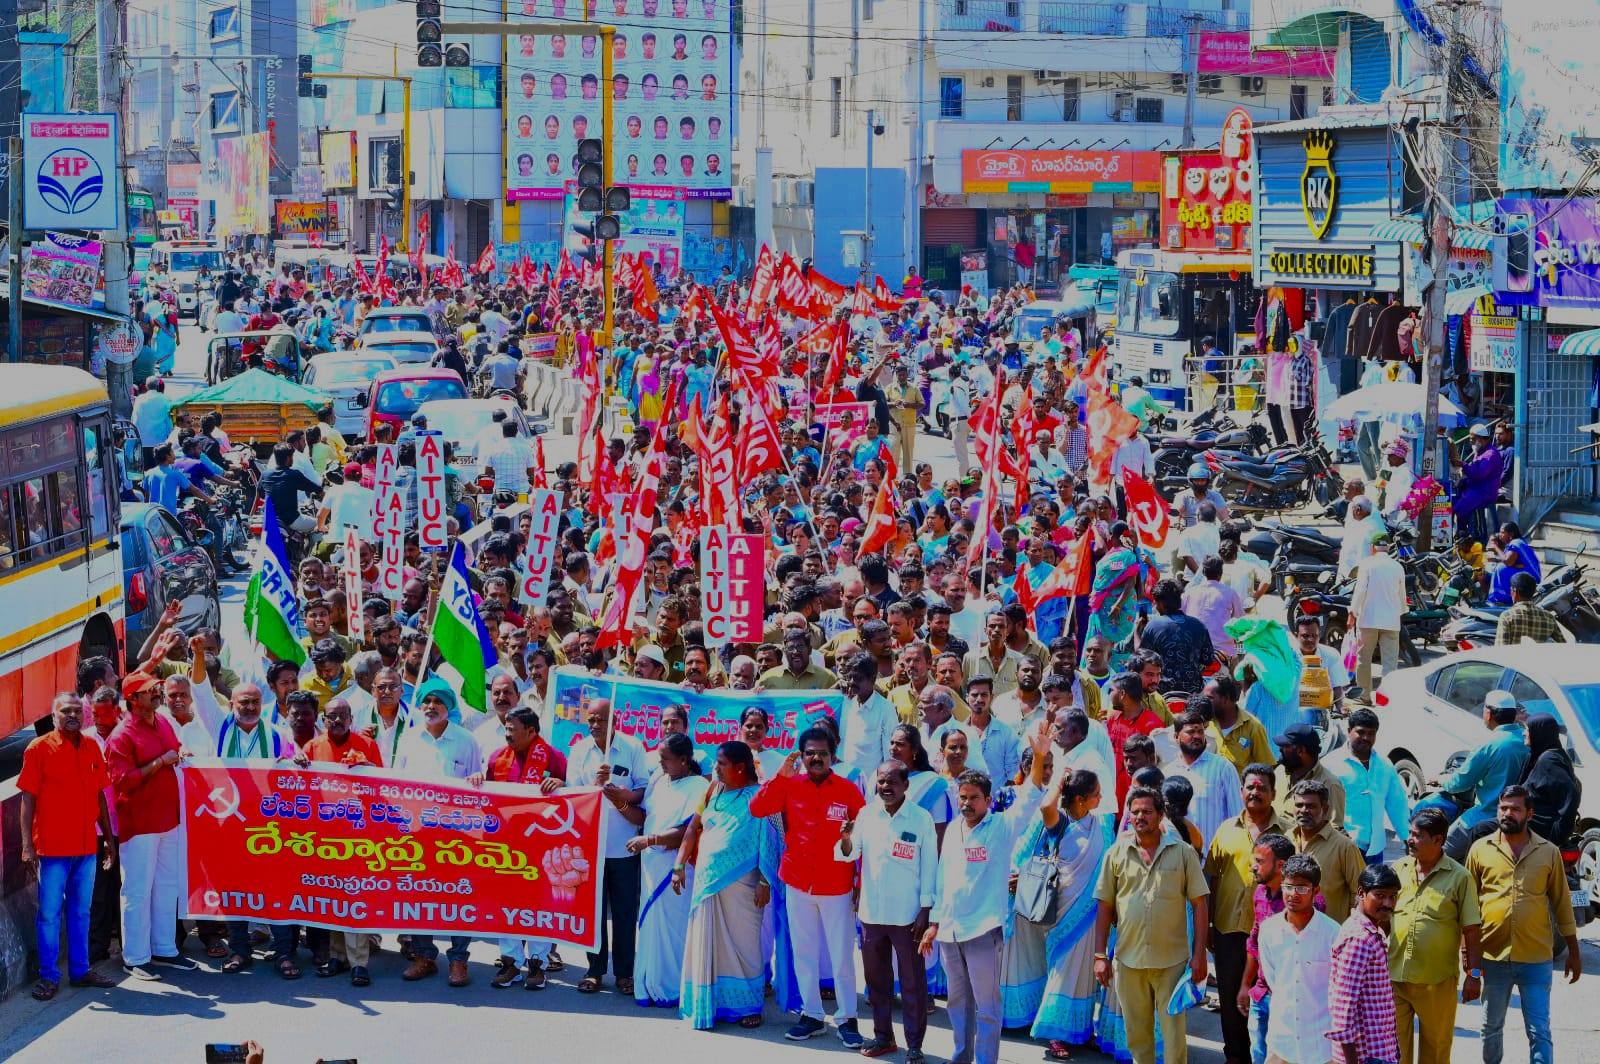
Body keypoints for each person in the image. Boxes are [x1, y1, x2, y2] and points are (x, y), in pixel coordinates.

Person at [921, 727, 1050, 1064]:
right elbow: (943, 879)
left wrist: (1038, 758)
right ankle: (961, 1057)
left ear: (988, 801)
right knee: (957, 1002)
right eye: (963, 798)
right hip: (950, 932)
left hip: (982, 930)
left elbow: (1030, 796)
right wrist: (934, 924)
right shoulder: (953, 829)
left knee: (987, 1006)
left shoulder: (1002, 827)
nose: (966, 804)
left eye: (973, 798)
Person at [749, 726, 866, 1047]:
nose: (816, 758)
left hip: (837, 885)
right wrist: (781, 776)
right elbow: (757, 808)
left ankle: (847, 1018)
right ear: (801, 755)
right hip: (798, 882)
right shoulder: (789, 785)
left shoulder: (848, 790)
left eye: (822, 753)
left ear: (832, 756)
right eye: (810, 753)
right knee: (804, 952)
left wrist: (859, 881)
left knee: (841, 955)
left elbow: (864, 837)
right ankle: (812, 1015)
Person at [1092, 783, 1209, 1064]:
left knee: (1174, 1037)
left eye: (1146, 811)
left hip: (1172, 962)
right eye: (1135, 812)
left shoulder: (1183, 853)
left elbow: (1200, 904)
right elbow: (1105, 905)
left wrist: (1200, 955)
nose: (1140, 817)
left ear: (1160, 815)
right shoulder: (1116, 854)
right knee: (1137, 1036)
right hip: (1129, 961)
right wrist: (1100, 956)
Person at [1465, 785, 1581, 1064]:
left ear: (1529, 814)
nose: (1508, 814)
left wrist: (1574, 952)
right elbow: (1467, 908)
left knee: (1539, 1030)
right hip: (1493, 957)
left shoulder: (1548, 852)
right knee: (1490, 1027)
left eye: (1515, 809)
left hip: (1536, 957)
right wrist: (1468, 957)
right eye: (1503, 808)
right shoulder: (1480, 850)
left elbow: (1562, 903)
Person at [1005, 769, 1114, 1062]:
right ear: (1080, 799)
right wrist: (1057, 782)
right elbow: (1045, 806)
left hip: (1091, 911)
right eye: (1096, 794)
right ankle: (1055, 1031)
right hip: (1064, 909)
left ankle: (1080, 1030)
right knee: (1064, 968)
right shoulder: (1059, 822)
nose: (1101, 798)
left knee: (1085, 973)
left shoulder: (1102, 824)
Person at [18, 692, 119, 1000]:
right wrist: (26, 845)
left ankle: (80, 970)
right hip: (51, 849)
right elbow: (27, 798)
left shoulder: (90, 747)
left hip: (86, 846)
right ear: (54, 716)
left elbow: (99, 795)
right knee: (49, 914)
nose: (73, 715)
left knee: (81, 912)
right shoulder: (39, 748)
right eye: (66, 711)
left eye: (77, 710)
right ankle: (49, 976)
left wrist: (108, 839)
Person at [837, 759, 939, 1061]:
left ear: (905, 785)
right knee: (877, 983)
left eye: (892, 781)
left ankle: (915, 1045)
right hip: (872, 913)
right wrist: (845, 838)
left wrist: (926, 910)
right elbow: (849, 855)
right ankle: (883, 1038)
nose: (885, 787)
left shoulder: (920, 818)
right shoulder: (867, 814)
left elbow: (930, 866)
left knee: (912, 984)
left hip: (908, 915)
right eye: (881, 781)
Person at [106, 672, 198, 980]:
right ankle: (135, 957)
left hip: (169, 818)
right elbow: (122, 781)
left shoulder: (163, 722)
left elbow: (175, 747)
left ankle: (164, 948)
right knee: (138, 890)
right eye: (149, 691)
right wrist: (160, 762)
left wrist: (180, 751)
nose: (156, 693)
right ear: (133, 699)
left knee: (167, 886)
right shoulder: (121, 735)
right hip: (140, 824)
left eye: (157, 688)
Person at [392, 679, 484, 986]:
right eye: (427, 701)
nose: (431, 706)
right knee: (420, 894)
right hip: (417, 833)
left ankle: (458, 959)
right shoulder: (408, 739)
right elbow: (395, 785)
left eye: (438, 701)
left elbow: (477, 786)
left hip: (456, 835)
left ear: (449, 707)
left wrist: (476, 779)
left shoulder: (466, 741)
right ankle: (424, 956)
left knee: (458, 895)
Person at [1204, 765, 1291, 1064]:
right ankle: (1235, 1057)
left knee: (1269, 998)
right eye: (1250, 787)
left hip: (1273, 933)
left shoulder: (1288, 833)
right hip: (1228, 928)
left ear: (1273, 794)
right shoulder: (1226, 829)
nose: (1255, 792)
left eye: (1262, 788)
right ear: (1241, 791)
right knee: (1230, 998)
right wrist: (1209, 924)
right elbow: (1213, 878)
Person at [567, 697, 650, 995]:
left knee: (625, 913)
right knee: (593, 913)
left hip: (624, 845)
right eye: (590, 719)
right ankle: (595, 970)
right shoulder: (579, 750)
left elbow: (643, 790)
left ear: (614, 720)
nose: (594, 725)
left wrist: (621, 794)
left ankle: (625, 973)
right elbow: (572, 796)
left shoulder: (633, 747)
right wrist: (595, 785)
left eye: (600, 719)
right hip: (590, 845)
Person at [481, 706, 565, 990]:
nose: (507, 734)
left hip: (542, 844)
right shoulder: (497, 758)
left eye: (512, 729)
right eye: (505, 728)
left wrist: (562, 784)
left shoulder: (554, 758)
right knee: (508, 902)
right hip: (507, 846)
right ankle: (511, 963)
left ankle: (538, 964)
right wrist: (476, 781)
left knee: (539, 903)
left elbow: (577, 794)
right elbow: (488, 795)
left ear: (531, 731)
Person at [1390, 807, 1482, 1064]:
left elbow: (1472, 930)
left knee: (1436, 1053)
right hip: (1395, 978)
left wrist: (1474, 975)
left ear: (1438, 840)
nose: (1410, 840)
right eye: (1410, 833)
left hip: (1437, 982)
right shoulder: (1398, 869)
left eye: (1417, 835)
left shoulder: (1460, 877)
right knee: (1393, 1052)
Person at [628, 732, 709, 1008]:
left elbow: (689, 830)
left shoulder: (699, 786)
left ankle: (672, 987)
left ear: (684, 760)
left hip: (677, 867)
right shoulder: (658, 780)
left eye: (666, 759)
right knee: (650, 924)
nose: (660, 763)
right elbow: (646, 815)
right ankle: (647, 985)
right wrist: (618, 801)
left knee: (674, 928)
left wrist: (650, 840)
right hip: (650, 864)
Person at [1254, 852, 1341, 1064]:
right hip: (1282, 1040)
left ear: (1316, 891)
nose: (1293, 894)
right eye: (1288, 887)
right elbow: (1273, 979)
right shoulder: (1269, 930)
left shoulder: (1333, 933)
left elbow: (1338, 987)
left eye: (1302, 888)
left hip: (1321, 1045)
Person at [1439, 690, 1529, 859]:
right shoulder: (1526, 738)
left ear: (1489, 714)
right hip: (1521, 818)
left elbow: (1459, 783)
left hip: (1488, 815)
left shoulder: (1489, 744)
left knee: (1438, 854)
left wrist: (1441, 779)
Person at [1328, 864, 1403, 1064]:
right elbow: (1343, 1008)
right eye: (1380, 896)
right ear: (1361, 893)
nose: (1388, 903)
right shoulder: (1359, 939)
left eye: (1393, 896)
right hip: (1366, 1055)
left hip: (1379, 1050)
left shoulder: (1371, 932)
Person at [1329, 708, 1411, 865]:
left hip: (1375, 850)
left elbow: (1397, 804)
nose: (1366, 738)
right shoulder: (1331, 764)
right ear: (1349, 731)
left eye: (1371, 733)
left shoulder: (1385, 765)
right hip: (1343, 846)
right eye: (1360, 732)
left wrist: (1406, 837)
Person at [1161, 708, 1241, 847]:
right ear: (1176, 737)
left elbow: (1237, 815)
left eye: (1200, 731)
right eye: (1190, 732)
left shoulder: (1222, 767)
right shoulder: (1168, 773)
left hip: (1214, 854)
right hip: (1179, 855)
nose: (1197, 736)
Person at [1288, 778, 1365, 923]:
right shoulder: (1287, 840)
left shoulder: (1344, 846)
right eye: (1299, 805)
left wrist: (1350, 928)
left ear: (1325, 810)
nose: (1304, 810)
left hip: (1331, 933)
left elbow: (1361, 892)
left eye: (1311, 806)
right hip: (1291, 931)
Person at [1349, 532, 1405, 699]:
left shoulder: (1367, 564)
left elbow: (1360, 591)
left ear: (1373, 548)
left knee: (1364, 659)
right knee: (1390, 663)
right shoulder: (1397, 566)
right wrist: (1400, 612)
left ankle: (1364, 696)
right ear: (1387, 548)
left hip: (1368, 619)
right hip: (1391, 621)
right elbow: (1401, 595)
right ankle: (1386, 698)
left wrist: (1352, 612)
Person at [1137, 579, 1215, 695]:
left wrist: (1136, 632)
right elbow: (1208, 660)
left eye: (1155, 603)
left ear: (1161, 603)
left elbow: (1141, 659)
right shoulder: (1199, 625)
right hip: (1193, 692)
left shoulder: (1153, 626)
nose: (1155, 606)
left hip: (1161, 692)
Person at [1520, 712, 1581, 846]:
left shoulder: (1548, 761)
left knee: (1480, 830)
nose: (1524, 733)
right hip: (1527, 826)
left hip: (1535, 833)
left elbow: (1571, 795)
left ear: (1539, 732)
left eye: (1527, 729)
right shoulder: (1547, 755)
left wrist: (1556, 836)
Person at [1273, 722, 1346, 828]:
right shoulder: (1279, 771)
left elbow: (1334, 829)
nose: (1280, 749)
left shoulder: (1330, 784)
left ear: (1301, 750)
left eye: (1286, 746)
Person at [1495, 570, 1565, 644]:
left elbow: (1501, 647)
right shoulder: (1549, 617)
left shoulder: (1507, 616)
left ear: (1515, 592)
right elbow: (1563, 645)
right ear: (1533, 592)